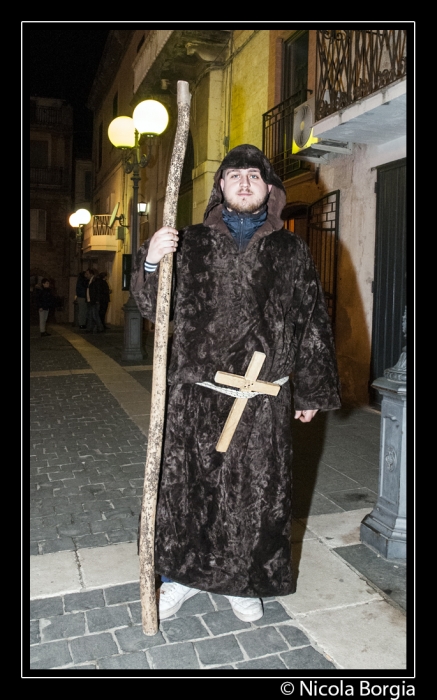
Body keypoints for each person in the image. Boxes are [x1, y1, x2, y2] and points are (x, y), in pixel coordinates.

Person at [131, 144, 341, 623]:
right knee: (190, 492)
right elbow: (151, 309)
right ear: (220, 187)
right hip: (197, 398)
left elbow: (311, 322)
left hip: (263, 401)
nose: (243, 183)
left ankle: (242, 581)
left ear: (269, 189)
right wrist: (150, 262)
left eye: (253, 175)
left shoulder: (291, 251)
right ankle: (182, 578)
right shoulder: (188, 242)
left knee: (254, 496)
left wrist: (310, 391)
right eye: (233, 176)